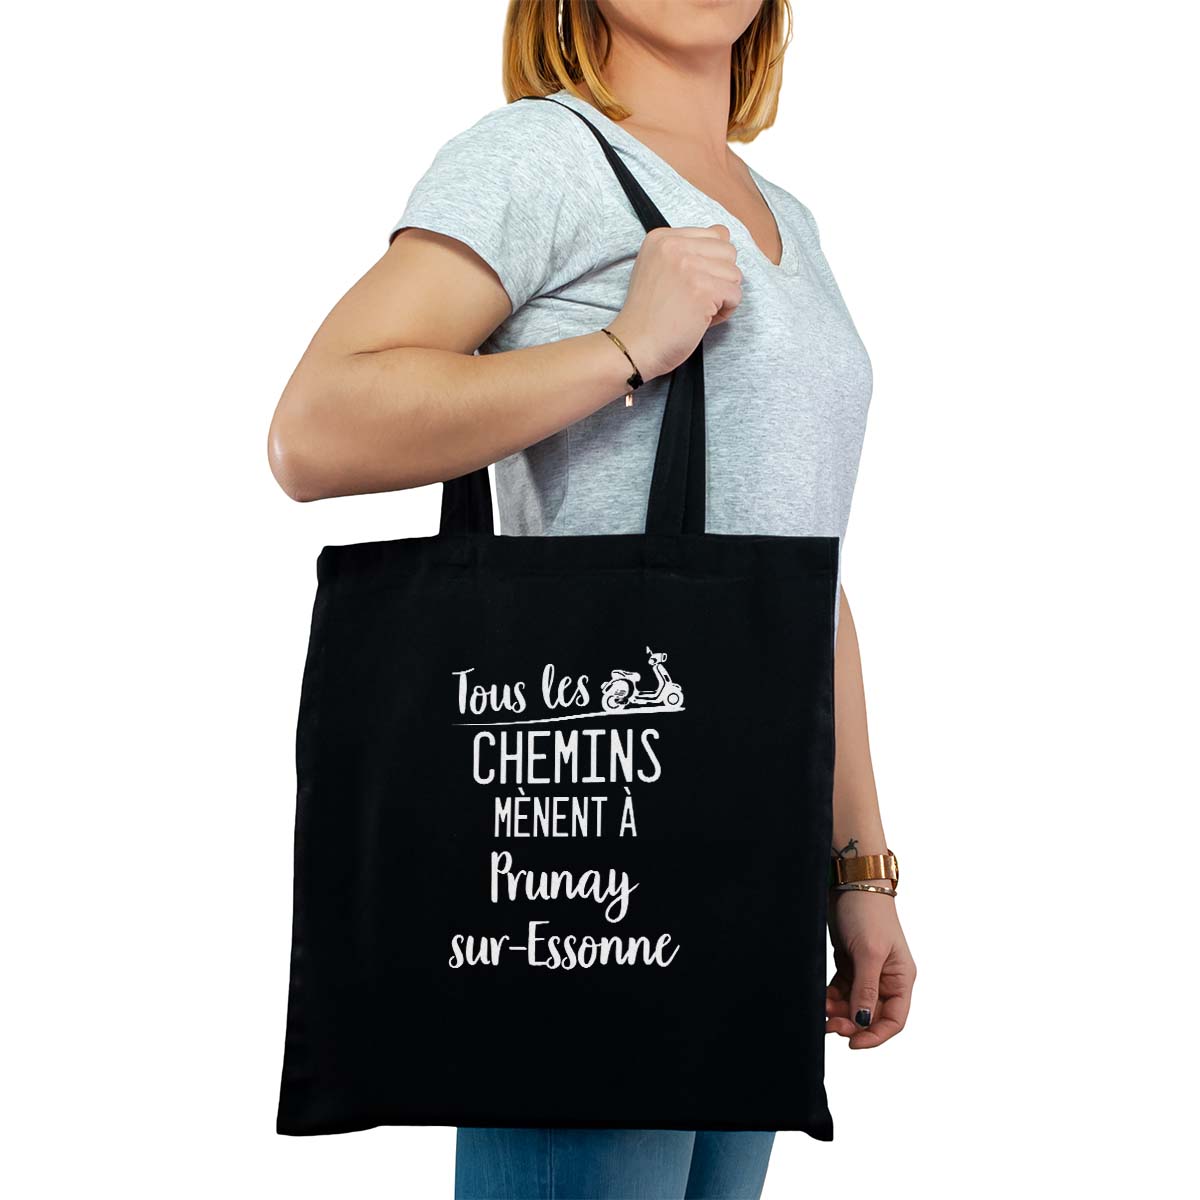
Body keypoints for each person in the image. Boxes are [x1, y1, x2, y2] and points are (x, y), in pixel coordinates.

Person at [267, 1, 916, 1196]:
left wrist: (854, 870)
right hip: (598, 834)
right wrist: (624, 347)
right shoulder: (542, 155)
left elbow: (800, 578)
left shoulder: (795, 224)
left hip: (746, 859)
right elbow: (314, 432)